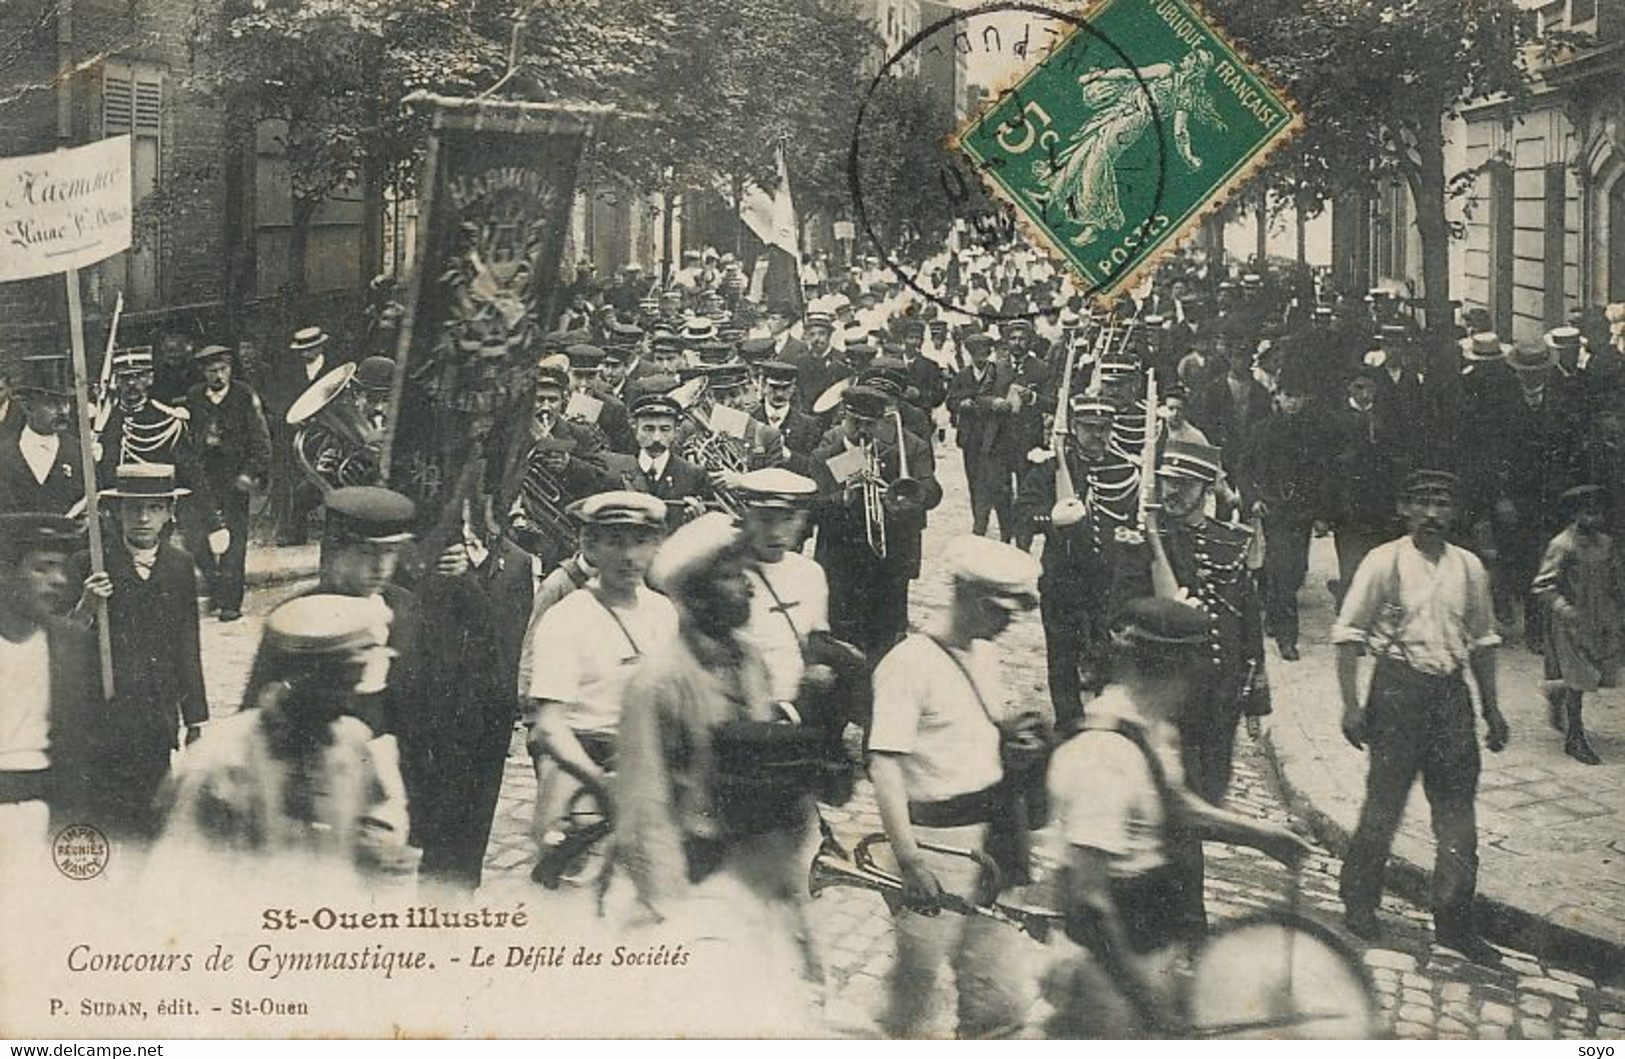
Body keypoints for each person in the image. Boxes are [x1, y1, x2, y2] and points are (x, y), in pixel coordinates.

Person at [1042, 598, 1310, 1038]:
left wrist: (1257, 835)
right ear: (1175, 670)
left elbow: (1172, 805)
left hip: (1147, 951)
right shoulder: (1105, 753)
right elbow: (1088, 902)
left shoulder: (1150, 727)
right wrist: (1148, 1002)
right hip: (1106, 974)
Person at [613, 513, 829, 1034]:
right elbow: (644, 812)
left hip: (757, 870)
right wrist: (676, 919)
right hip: (694, 872)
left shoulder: (750, 662)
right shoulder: (658, 682)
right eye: (732, 577)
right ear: (695, 595)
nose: (748, 587)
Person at [867, 536, 1047, 1039]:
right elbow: (884, 765)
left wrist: (1015, 742)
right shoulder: (908, 664)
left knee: (1002, 998)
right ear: (965, 593)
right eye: (999, 610)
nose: (1008, 624)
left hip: (993, 840)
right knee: (915, 995)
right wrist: (909, 861)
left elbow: (972, 733)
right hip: (937, 844)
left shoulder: (984, 655)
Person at [1333, 468, 1509, 965]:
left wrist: (1492, 710)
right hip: (1397, 691)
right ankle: (1359, 902)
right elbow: (1348, 636)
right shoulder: (1383, 562)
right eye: (1422, 503)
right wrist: (1350, 705)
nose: (1432, 514)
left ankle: (1454, 923)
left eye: (1442, 504)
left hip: (1451, 698)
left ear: (1455, 513)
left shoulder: (1470, 567)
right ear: (1403, 509)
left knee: (1458, 817)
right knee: (1384, 804)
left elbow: (1484, 641)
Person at [155, 594, 417, 886]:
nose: (349, 704)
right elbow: (176, 883)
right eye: (339, 686)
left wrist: (378, 855)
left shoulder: (351, 744)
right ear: (300, 680)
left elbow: (374, 830)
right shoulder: (223, 762)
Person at [520, 491, 677, 883]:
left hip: (646, 755)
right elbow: (550, 725)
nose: (629, 556)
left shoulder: (663, 612)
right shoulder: (567, 618)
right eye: (615, 541)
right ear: (590, 544)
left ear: (657, 544)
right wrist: (599, 780)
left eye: (641, 541)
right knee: (579, 862)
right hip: (582, 754)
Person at [65, 465, 209, 840]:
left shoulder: (180, 566)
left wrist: (195, 720)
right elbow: (61, 642)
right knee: (104, 819)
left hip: (156, 720)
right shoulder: (90, 565)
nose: (142, 518)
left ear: (168, 512)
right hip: (102, 716)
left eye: (153, 508)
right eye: (132, 509)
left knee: (150, 820)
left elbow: (187, 645)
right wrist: (85, 607)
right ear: (116, 513)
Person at [1145, 441, 1268, 804]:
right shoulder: (1149, 539)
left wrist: (1256, 700)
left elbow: (1249, 624)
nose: (1173, 492)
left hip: (1220, 694)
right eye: (1168, 482)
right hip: (1169, 690)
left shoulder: (1232, 542)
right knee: (1171, 798)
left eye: (1184, 484)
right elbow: (1120, 616)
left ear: (1206, 489)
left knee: (1212, 792)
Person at [810, 386, 942, 659]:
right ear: (843, 418)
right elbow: (812, 509)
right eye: (855, 423)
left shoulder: (892, 455)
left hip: (882, 571)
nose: (861, 431)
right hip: (839, 567)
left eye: (869, 425)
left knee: (881, 646)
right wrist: (843, 496)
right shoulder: (825, 455)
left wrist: (898, 499)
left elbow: (931, 491)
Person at [0, 514, 95, 853]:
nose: (57, 580)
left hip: (45, 820)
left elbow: (80, 749)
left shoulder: (70, 644)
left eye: (61, 569)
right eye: (42, 568)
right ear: (5, 573)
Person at [1236, 360, 1332, 661]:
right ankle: (1287, 637)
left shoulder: (1314, 434)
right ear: (1276, 396)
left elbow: (1323, 473)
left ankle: (1274, 614)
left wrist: (1320, 514)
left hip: (1301, 511)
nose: (1293, 402)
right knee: (1281, 568)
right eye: (1287, 395)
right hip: (1272, 509)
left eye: (1298, 396)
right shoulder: (1261, 431)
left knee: (1294, 571)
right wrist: (1252, 499)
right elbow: (1243, 469)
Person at [1532, 484, 1625, 765]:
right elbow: (1543, 585)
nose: (1594, 518)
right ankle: (1575, 736)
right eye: (1587, 511)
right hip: (1571, 621)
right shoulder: (1562, 544)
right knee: (1578, 677)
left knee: (1594, 672)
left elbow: (1617, 578)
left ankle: (1555, 696)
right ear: (1575, 514)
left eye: (1598, 511)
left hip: (1602, 620)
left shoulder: (1606, 544)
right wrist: (1564, 608)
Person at [184, 344, 271, 622]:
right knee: (196, 538)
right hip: (202, 476)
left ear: (231, 368)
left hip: (235, 476)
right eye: (212, 371)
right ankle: (215, 587)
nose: (219, 375)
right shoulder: (194, 397)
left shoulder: (244, 395)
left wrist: (252, 471)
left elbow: (260, 438)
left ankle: (230, 603)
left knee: (235, 539)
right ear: (203, 372)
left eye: (223, 369)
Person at [947, 333, 1016, 540]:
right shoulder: (962, 376)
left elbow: (1005, 401)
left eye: (984, 353)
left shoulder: (1000, 374)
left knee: (1000, 483)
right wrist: (960, 405)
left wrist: (986, 402)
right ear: (969, 354)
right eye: (976, 354)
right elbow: (950, 400)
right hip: (971, 440)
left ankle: (1006, 528)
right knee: (975, 481)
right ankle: (979, 523)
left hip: (996, 438)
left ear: (989, 353)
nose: (980, 358)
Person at [0, 356, 84, 516]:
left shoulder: (79, 452)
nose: (63, 411)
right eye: (52, 403)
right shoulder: (4, 454)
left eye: (65, 402)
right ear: (28, 406)